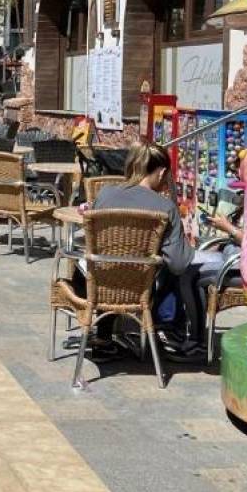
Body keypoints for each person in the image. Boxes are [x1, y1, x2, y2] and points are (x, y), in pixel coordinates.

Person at [88, 140, 198, 359]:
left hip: (99, 283)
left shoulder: (105, 194)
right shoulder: (165, 207)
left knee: (113, 259)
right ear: (162, 172)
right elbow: (179, 263)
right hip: (140, 287)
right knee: (173, 268)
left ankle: (103, 338)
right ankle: (167, 330)